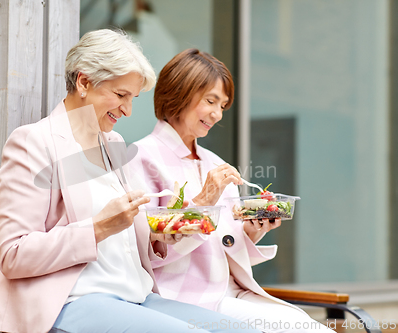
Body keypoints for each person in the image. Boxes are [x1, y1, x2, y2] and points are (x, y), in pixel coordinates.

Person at [0, 30, 261, 333]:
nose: (128, 110)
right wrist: (98, 228)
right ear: (84, 82)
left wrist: (161, 234)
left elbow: (131, 237)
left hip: (136, 297)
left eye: (133, 98)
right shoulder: (33, 143)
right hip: (74, 301)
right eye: (120, 95)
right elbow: (13, 255)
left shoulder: (113, 144)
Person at [128, 48, 335, 333]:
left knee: (308, 327)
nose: (217, 114)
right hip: (182, 299)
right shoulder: (140, 157)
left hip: (231, 292)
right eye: (210, 101)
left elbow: (226, 247)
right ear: (178, 93)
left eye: (223, 106)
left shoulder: (216, 163)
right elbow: (147, 253)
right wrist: (203, 201)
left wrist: (253, 229)